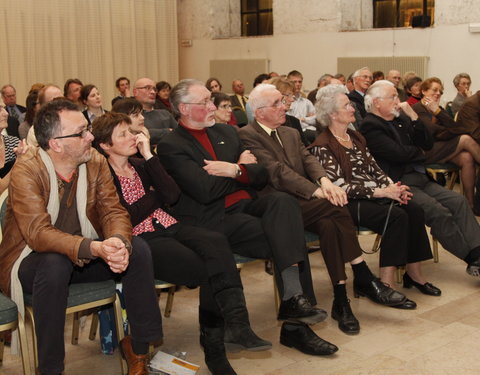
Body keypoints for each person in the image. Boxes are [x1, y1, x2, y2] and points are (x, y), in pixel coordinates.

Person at [158, 79, 338, 357]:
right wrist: (242, 171)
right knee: (288, 238)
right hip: (211, 219)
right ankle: (294, 325)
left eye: (211, 100)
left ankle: (294, 301)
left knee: (283, 203)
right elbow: (205, 191)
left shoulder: (228, 133)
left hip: (245, 209)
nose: (212, 106)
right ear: (183, 108)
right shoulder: (172, 145)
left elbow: (260, 175)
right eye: (204, 102)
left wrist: (232, 170)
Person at [93, 112, 270, 375]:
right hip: (142, 240)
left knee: (215, 243)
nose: (133, 137)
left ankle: (237, 324)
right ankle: (215, 348)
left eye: (132, 132)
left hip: (170, 225)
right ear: (106, 145)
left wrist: (150, 157)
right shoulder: (102, 175)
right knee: (209, 267)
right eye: (124, 134)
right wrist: (155, 196)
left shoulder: (141, 165)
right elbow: (127, 216)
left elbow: (172, 194)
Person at [0, 99, 163, 375]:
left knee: (138, 249)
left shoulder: (95, 160)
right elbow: (38, 235)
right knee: (55, 263)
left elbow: (113, 210)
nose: (90, 137)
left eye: (88, 129)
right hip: (30, 261)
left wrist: (118, 243)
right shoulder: (27, 169)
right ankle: (50, 369)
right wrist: (95, 248)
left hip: (85, 253)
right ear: (56, 143)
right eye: (81, 133)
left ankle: (138, 349)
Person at [238, 84, 411, 336]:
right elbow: (277, 171)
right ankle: (362, 273)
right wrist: (318, 191)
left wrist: (325, 181)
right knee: (335, 205)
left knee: (331, 223)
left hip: (307, 203)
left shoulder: (290, 131)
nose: (284, 106)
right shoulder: (248, 134)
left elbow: (308, 160)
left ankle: (341, 300)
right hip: (279, 207)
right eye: (277, 103)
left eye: (282, 101)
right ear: (259, 111)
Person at [309, 84, 440, 297]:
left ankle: (414, 274)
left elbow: (375, 169)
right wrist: (381, 193)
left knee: (414, 209)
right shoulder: (323, 145)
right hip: (347, 203)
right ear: (333, 114)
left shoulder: (356, 137)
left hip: (373, 195)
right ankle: (386, 283)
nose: (353, 108)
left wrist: (393, 187)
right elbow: (340, 186)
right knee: (396, 216)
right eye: (347, 105)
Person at [359, 80, 480, 279]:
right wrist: (419, 153)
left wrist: (414, 117)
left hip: (419, 177)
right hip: (399, 183)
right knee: (438, 211)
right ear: (377, 102)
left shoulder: (401, 118)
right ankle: (471, 257)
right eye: (393, 97)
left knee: (458, 201)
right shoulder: (370, 126)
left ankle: (478, 252)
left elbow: (427, 142)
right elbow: (398, 154)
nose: (399, 101)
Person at [412, 77, 480, 210]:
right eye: (434, 90)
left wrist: (438, 112)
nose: (438, 93)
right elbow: (431, 132)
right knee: (465, 139)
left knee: (467, 158)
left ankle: (470, 204)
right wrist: (446, 131)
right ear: (424, 91)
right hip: (425, 151)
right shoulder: (418, 108)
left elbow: (456, 127)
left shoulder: (438, 108)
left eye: (440, 91)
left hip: (441, 148)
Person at [133, 78, 178, 145]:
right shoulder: (130, 115)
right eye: (147, 88)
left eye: (154, 89)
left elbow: (180, 134)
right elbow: (136, 134)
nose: (153, 92)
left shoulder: (165, 114)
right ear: (135, 92)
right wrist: (168, 131)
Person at [0, 96, 28, 194]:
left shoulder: (14, 143)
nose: (6, 113)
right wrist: (19, 161)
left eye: (4, 108)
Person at [286, 70, 317, 143]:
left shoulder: (306, 102)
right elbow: (291, 121)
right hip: (295, 132)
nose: (298, 84)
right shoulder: (287, 101)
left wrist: (304, 119)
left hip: (309, 130)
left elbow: (316, 119)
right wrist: (308, 118)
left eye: (300, 82)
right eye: (294, 82)